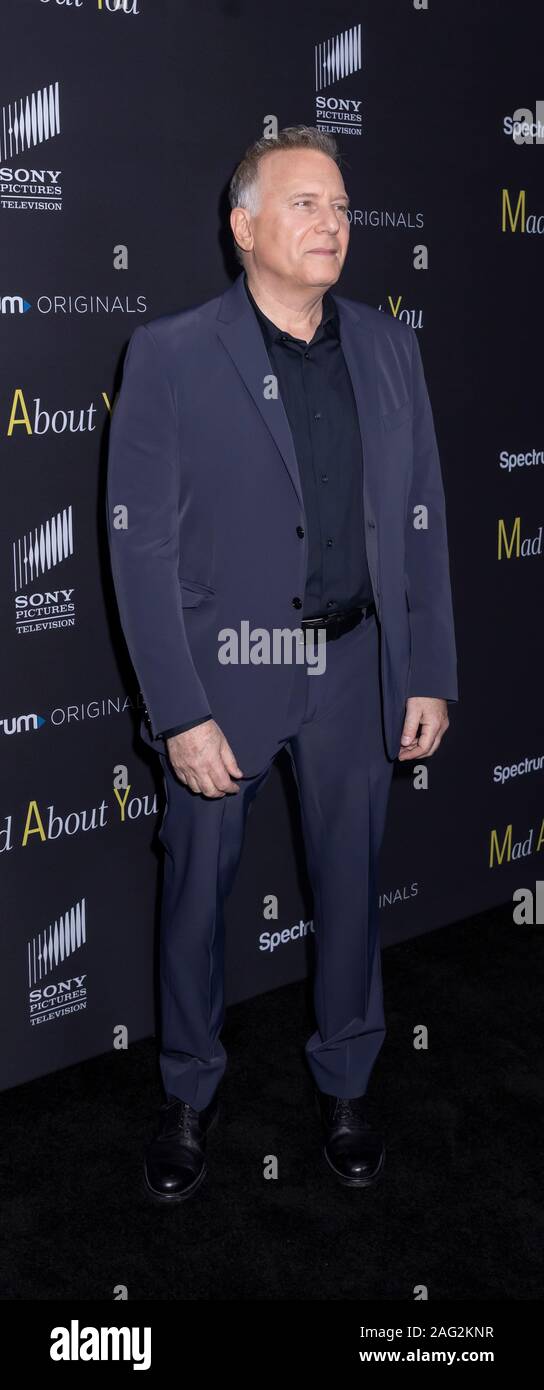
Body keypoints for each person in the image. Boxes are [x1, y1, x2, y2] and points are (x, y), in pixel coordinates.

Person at [106, 125, 458, 1203]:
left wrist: (427, 667)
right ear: (244, 226)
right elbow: (141, 544)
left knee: (351, 888)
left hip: (356, 666)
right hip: (221, 676)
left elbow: (422, 520)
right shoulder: (171, 353)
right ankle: (186, 1093)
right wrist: (178, 710)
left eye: (342, 206)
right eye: (305, 204)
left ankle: (348, 1082)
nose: (333, 223)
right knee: (196, 901)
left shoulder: (390, 347)